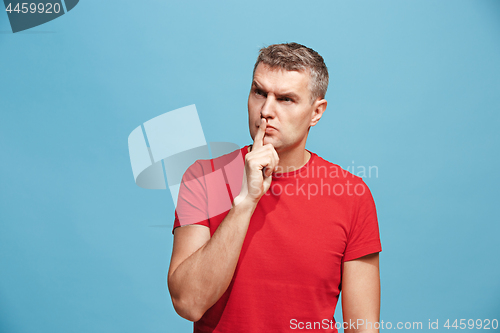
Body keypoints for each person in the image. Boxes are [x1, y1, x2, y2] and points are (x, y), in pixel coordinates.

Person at [167, 42, 382, 333]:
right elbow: (189, 303)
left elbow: (363, 328)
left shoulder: (352, 195)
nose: (266, 110)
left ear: (316, 112)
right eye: (259, 93)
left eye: (285, 99)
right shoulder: (203, 178)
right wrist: (246, 201)